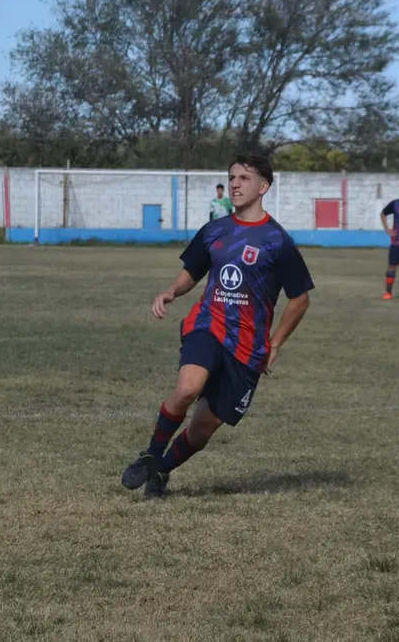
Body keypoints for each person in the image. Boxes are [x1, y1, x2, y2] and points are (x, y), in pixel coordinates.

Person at [121, 154, 314, 498]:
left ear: (264, 187)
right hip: (208, 325)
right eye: (233, 177)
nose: (236, 184)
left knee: (201, 431)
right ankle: (151, 454)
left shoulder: (277, 241)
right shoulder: (214, 231)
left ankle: (160, 471)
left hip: (248, 347)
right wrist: (170, 291)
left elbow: (300, 299)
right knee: (187, 388)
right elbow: (190, 274)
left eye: (244, 178)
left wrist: (276, 344)